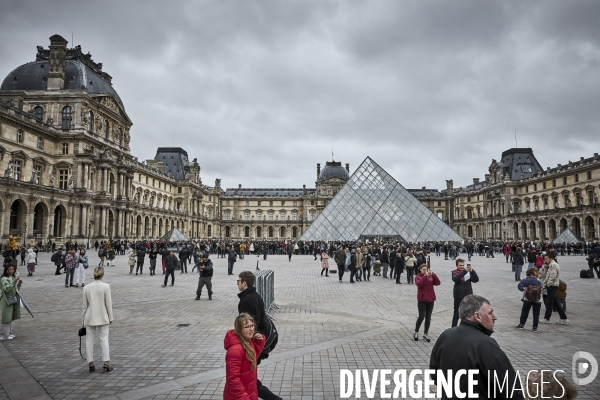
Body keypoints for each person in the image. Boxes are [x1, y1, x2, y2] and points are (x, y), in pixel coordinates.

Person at [430, 295, 523, 399]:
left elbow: (434, 373)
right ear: (477, 316)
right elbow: (511, 389)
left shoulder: (445, 336)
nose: (494, 317)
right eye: (490, 313)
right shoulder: (486, 345)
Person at [237, 271, 282, 400]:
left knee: (249, 381)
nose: (237, 284)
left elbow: (248, 326)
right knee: (250, 380)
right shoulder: (255, 295)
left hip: (253, 344)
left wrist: (247, 345)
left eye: (238, 281)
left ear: (244, 283)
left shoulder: (247, 300)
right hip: (259, 340)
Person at [223, 313, 265, 400]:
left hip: (250, 392)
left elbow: (251, 358)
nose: (251, 329)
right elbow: (233, 380)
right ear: (239, 329)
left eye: (252, 325)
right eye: (247, 327)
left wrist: (258, 343)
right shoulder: (235, 351)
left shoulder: (247, 341)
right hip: (240, 396)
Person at [82, 267, 114, 372]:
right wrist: (111, 317)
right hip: (103, 316)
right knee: (104, 339)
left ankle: (90, 363)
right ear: (102, 275)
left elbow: (84, 306)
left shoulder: (86, 287)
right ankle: (106, 362)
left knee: (89, 340)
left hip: (90, 317)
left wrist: (83, 320)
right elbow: (108, 304)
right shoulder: (106, 286)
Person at [414, 264, 440, 342]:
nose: (425, 271)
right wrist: (425, 276)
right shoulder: (418, 277)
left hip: (430, 299)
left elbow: (437, 283)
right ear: (420, 270)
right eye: (424, 269)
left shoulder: (430, 276)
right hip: (422, 299)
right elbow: (419, 284)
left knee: (428, 318)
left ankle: (425, 333)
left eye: (426, 269)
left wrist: (434, 275)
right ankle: (416, 331)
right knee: (421, 316)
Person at [540, 253, 568, 324]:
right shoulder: (550, 265)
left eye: (546, 259)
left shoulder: (553, 265)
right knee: (556, 302)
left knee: (549, 302)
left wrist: (548, 284)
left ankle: (547, 318)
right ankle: (563, 318)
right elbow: (547, 274)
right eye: (544, 259)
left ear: (551, 258)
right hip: (552, 285)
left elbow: (552, 276)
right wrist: (546, 267)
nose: (545, 260)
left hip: (552, 286)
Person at [451, 259, 479, 327]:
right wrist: (464, 271)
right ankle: (453, 329)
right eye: (460, 265)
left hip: (468, 296)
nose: (462, 266)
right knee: (456, 314)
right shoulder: (454, 272)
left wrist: (472, 271)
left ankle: (465, 328)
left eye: (463, 265)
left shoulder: (468, 273)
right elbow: (455, 279)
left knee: (468, 314)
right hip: (458, 296)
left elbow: (476, 280)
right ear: (457, 265)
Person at [515, 267, 543, 332]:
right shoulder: (539, 281)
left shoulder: (526, 280)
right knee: (536, 313)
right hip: (537, 299)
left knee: (525, 311)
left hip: (528, 298)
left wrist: (524, 290)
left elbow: (520, 286)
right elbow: (541, 289)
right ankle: (535, 327)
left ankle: (522, 324)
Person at [0, 264, 22, 340]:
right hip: (6, 299)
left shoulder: (12, 278)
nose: (11, 271)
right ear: (6, 270)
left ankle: (8, 333)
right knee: (6, 317)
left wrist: (18, 284)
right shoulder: (3, 279)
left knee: (10, 316)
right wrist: (14, 282)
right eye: (10, 269)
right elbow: (7, 289)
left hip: (12, 299)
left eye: (13, 269)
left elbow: (15, 290)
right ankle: (4, 335)